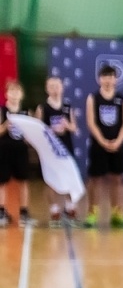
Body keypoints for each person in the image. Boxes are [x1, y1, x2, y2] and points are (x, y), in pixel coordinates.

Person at [84, 65, 123, 229]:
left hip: (117, 144)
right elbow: (91, 122)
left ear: (116, 80)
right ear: (99, 79)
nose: (108, 80)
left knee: (117, 179)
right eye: (105, 77)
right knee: (95, 179)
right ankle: (92, 213)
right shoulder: (93, 98)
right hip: (99, 144)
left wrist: (118, 140)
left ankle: (117, 213)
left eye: (111, 77)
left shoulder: (121, 98)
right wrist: (102, 140)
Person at [36, 76, 78, 226]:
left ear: (62, 87)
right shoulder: (43, 107)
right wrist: (51, 130)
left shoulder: (67, 106)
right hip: (50, 149)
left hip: (66, 147)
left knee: (68, 177)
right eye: (51, 86)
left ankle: (70, 207)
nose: (55, 89)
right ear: (47, 89)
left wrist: (67, 126)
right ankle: (54, 210)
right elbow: (39, 130)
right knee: (51, 180)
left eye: (57, 86)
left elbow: (74, 128)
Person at [0, 82, 26, 226]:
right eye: (11, 91)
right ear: (6, 94)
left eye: (17, 91)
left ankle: (24, 213)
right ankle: (2, 211)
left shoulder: (26, 112)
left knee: (23, 182)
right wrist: (5, 126)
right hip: (4, 149)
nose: (14, 94)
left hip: (21, 150)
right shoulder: (2, 111)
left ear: (21, 95)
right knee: (2, 182)